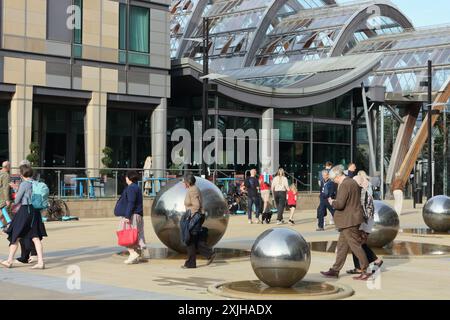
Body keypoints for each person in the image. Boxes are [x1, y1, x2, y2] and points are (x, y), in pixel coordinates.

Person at [320, 165, 372, 281]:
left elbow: (340, 204)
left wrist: (332, 201)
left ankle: (366, 270)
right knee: (342, 246)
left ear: (338, 175)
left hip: (349, 221)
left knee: (355, 246)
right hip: (351, 219)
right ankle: (335, 270)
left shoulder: (344, 184)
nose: (334, 181)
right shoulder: (352, 182)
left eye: (334, 179)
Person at [1, 166, 47, 269]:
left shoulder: (24, 184)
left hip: (25, 211)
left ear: (21, 175)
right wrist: (18, 188)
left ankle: (9, 261)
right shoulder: (35, 183)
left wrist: (16, 190)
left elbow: (17, 200)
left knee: (16, 235)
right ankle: (40, 262)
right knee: (35, 237)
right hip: (35, 212)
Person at [347, 172, 384, 274]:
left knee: (357, 243)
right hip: (365, 221)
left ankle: (375, 261)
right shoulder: (362, 190)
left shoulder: (362, 192)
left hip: (364, 221)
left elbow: (362, 209)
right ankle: (359, 267)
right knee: (357, 243)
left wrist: (360, 225)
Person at [181, 174, 215, 269]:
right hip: (197, 216)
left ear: (188, 182)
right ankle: (209, 253)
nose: (183, 184)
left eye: (184, 182)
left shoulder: (192, 190)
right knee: (195, 239)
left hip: (195, 217)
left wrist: (190, 217)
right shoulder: (194, 189)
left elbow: (196, 205)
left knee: (190, 240)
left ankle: (191, 263)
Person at [114, 170, 147, 265]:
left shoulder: (131, 188)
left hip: (132, 215)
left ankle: (132, 253)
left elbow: (131, 202)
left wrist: (127, 216)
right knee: (134, 236)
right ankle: (135, 256)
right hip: (138, 215)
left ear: (129, 178)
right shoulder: (136, 187)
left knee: (124, 234)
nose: (125, 178)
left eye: (126, 177)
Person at [0, 161, 11, 230]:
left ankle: (1, 226)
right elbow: (5, 187)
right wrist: (7, 199)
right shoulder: (6, 175)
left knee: (1, 209)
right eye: (10, 166)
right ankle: (9, 222)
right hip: (2, 195)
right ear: (7, 167)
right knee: (3, 207)